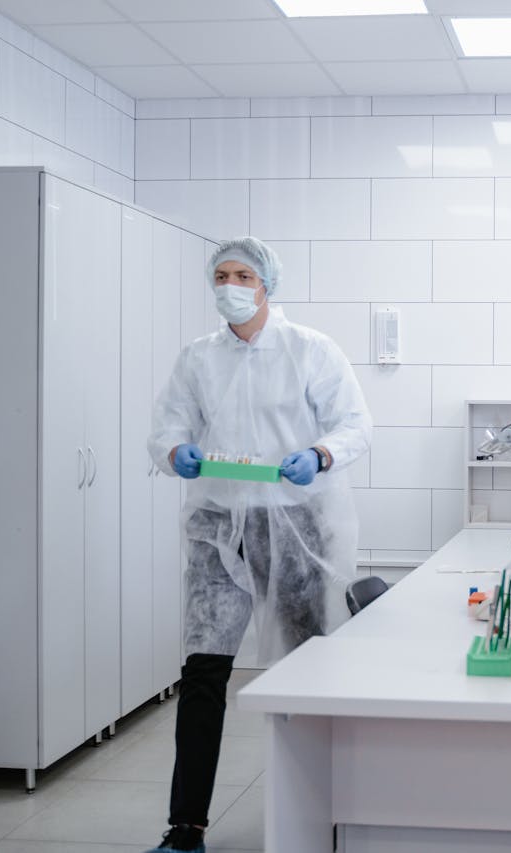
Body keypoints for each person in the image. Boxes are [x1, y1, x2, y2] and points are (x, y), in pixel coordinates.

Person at [144, 237, 372, 853]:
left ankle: (322, 815)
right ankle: (185, 829)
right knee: (203, 673)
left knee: (306, 673)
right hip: (217, 529)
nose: (231, 285)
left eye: (243, 274)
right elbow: (166, 427)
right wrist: (173, 452)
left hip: (295, 528)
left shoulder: (310, 350)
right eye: (221, 275)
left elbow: (356, 425)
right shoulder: (198, 359)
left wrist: (319, 454)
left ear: (267, 283)